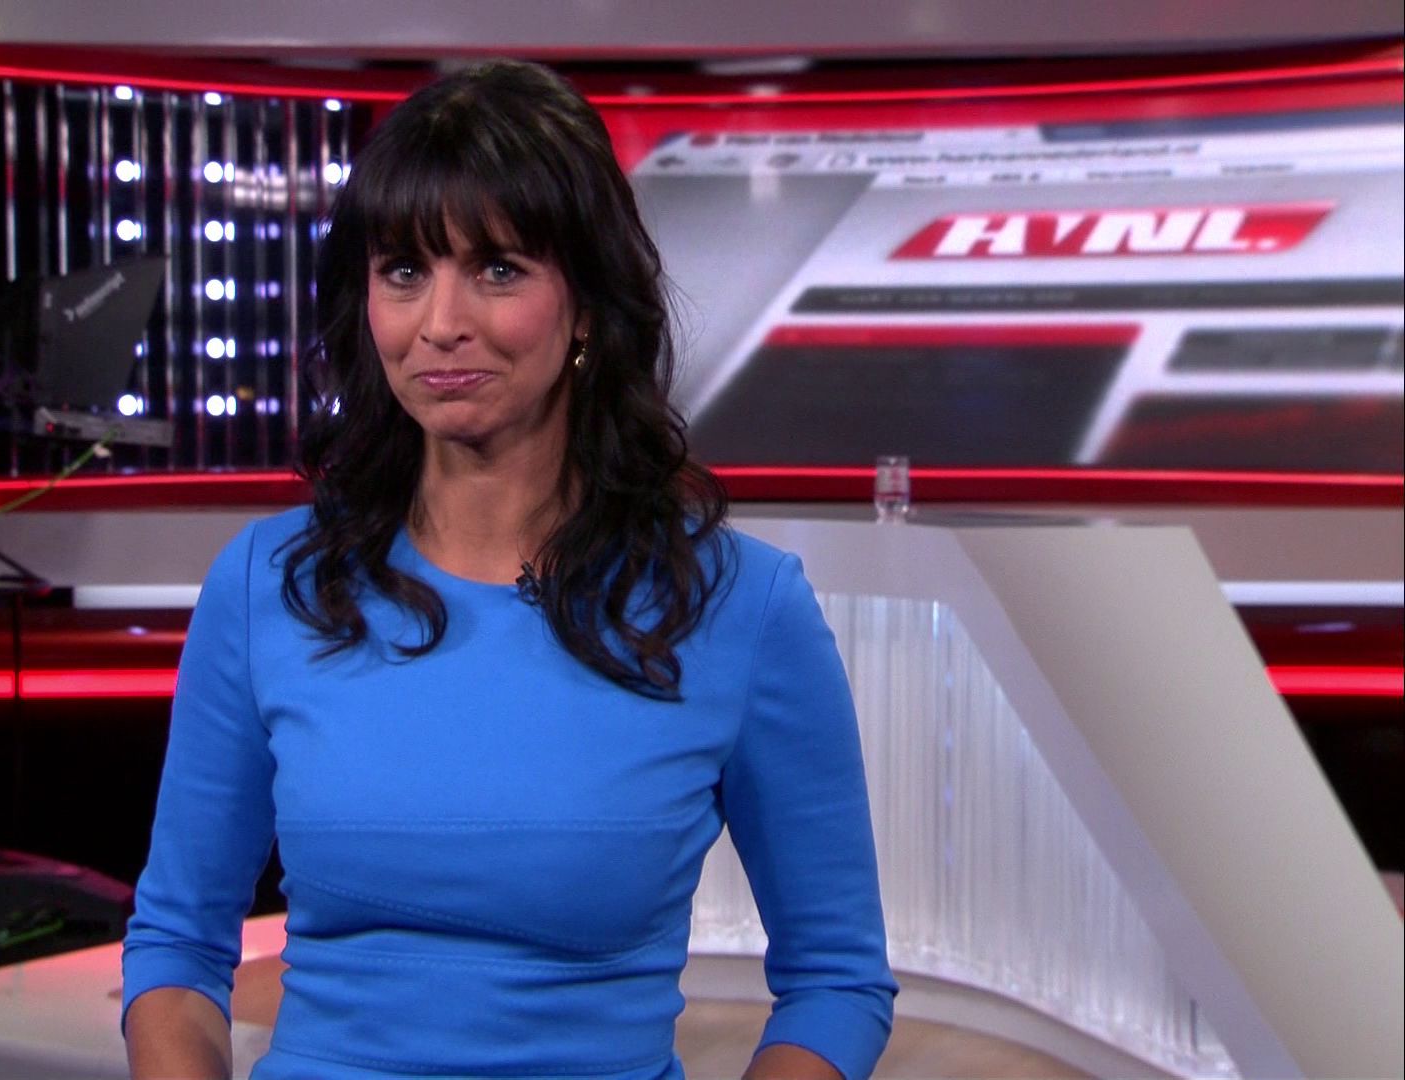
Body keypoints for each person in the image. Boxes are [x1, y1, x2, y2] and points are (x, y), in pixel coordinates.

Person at [122, 60, 896, 1080]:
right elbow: (178, 947)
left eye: (497, 269)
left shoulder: (740, 607)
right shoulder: (269, 584)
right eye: (404, 271)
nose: (441, 322)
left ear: (588, 305)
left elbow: (836, 979)